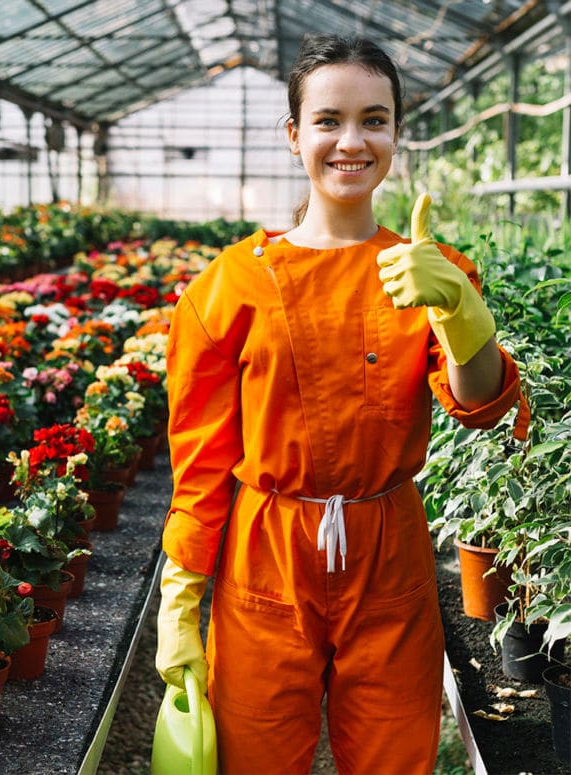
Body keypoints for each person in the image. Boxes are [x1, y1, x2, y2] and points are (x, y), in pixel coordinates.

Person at [155, 33, 528, 774]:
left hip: (387, 547)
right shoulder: (229, 286)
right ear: (294, 135)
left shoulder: (432, 271)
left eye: (374, 119)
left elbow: (480, 402)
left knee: (394, 752)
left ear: (396, 132)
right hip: (266, 554)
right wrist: (180, 597)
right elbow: (201, 462)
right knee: (257, 754)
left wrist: (460, 314)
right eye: (328, 120)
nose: (351, 141)